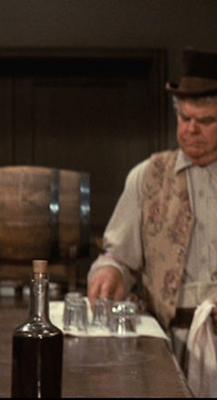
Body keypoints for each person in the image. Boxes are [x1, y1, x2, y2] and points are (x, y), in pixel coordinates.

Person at [87, 47, 217, 372]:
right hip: (169, 344)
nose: (191, 129)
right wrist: (109, 271)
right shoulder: (148, 177)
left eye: (206, 121)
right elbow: (118, 256)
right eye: (185, 118)